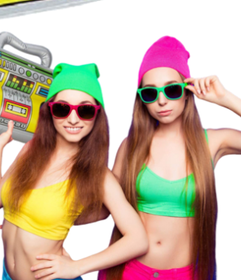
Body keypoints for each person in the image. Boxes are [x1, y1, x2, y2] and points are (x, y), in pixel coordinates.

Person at [0, 63, 147, 280]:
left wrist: (78, 267)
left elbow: (138, 240)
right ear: (49, 111)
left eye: (85, 110)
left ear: (97, 116)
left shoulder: (98, 175)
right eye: (62, 108)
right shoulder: (30, 150)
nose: (73, 119)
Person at [102, 36, 241, 280]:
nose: (162, 100)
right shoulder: (130, 147)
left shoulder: (212, 143)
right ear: (142, 100)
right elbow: (102, 209)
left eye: (172, 89)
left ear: (187, 92)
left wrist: (226, 99)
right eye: (150, 93)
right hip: (128, 272)